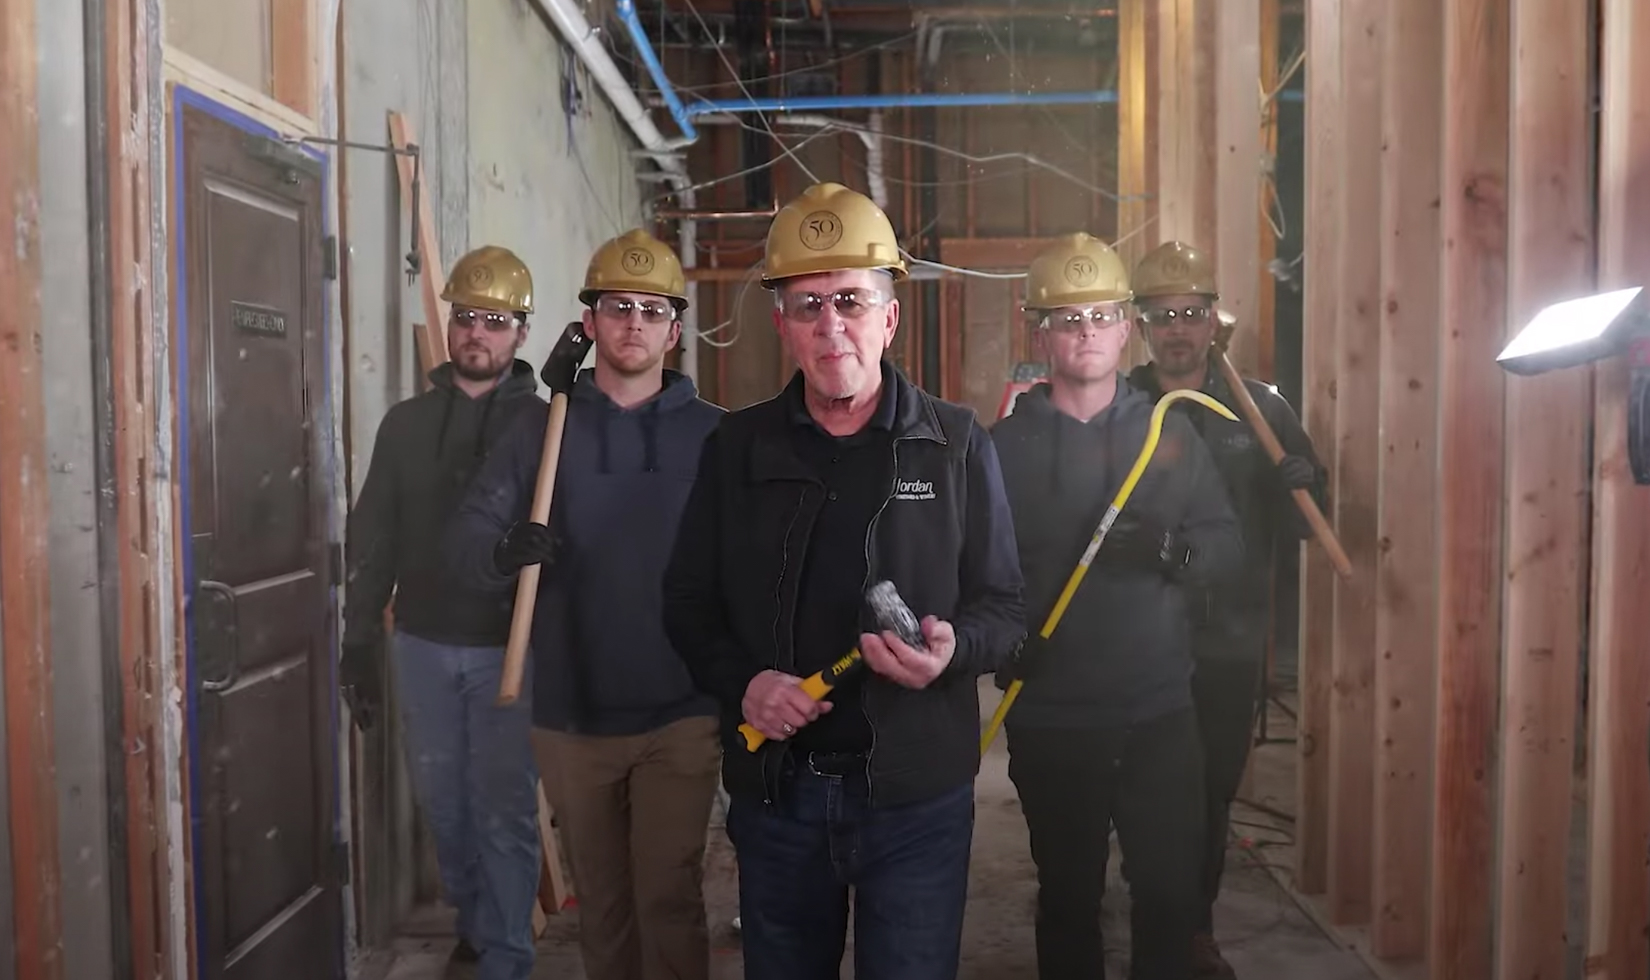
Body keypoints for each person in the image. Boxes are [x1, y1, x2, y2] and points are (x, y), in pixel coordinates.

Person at [661, 182, 1026, 980]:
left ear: (888, 318)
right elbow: (687, 603)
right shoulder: (737, 449)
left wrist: (953, 653)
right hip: (778, 793)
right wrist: (745, 684)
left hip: (916, 801)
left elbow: (1005, 608)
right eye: (809, 305)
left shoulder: (955, 443)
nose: (832, 326)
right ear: (782, 325)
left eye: (852, 301)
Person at [448, 229, 725, 980]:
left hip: (683, 709)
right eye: (617, 306)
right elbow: (469, 533)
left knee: (669, 897)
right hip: (572, 712)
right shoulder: (540, 428)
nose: (634, 322)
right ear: (589, 322)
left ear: (675, 330)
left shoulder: (716, 435)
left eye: (652, 310)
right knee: (602, 905)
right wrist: (503, 551)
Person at [991, 233, 1244, 980]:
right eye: (1068, 319)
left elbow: (1225, 544)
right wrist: (999, 642)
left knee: (1168, 896)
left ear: (1127, 326)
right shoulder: (999, 449)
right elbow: (969, 572)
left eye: (1102, 316)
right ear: (1039, 332)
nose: (1087, 332)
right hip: (1051, 718)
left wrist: (1174, 553)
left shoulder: (1168, 431)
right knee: (1069, 898)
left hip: (1157, 715)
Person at [340, 245, 545, 980]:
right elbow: (373, 535)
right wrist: (358, 638)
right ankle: (478, 922)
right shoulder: (405, 424)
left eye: (494, 320)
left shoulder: (545, 426)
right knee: (446, 806)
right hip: (422, 643)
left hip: (509, 650)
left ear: (520, 332)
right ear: (449, 324)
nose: (476, 333)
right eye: (465, 318)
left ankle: (508, 958)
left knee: (503, 809)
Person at [1125, 241, 1326, 979]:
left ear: (1213, 320)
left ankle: (1193, 930)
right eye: (1163, 315)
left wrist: (1305, 481)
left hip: (1230, 642)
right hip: (1143, 637)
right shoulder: (1122, 407)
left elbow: (1305, 523)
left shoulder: (1262, 409)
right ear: (1142, 326)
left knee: (1211, 793)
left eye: (1191, 313)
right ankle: (1154, 920)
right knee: (1148, 794)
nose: (1178, 328)